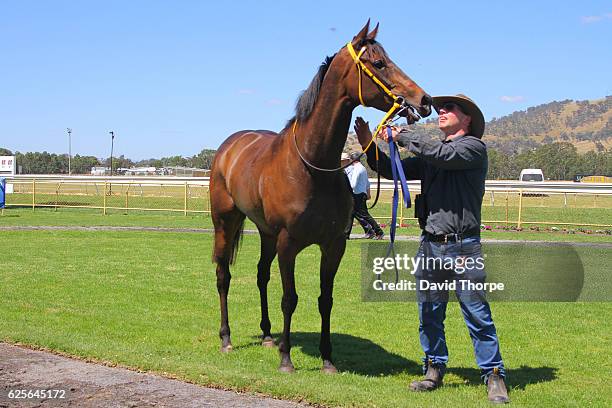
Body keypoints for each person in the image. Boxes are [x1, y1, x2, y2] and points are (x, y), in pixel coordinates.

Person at [354, 94, 509, 404]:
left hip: (464, 246)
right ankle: (434, 368)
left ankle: (494, 375)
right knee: (429, 313)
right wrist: (370, 145)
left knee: (477, 314)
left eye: (450, 108)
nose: (442, 111)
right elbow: (389, 167)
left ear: (467, 120)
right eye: (442, 108)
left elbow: (441, 154)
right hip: (430, 246)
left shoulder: (473, 149)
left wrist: (403, 135)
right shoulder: (432, 155)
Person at [343, 152, 384, 239]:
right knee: (351, 214)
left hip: (357, 195)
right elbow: (367, 183)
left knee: (364, 215)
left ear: (353, 160)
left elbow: (353, 184)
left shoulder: (357, 169)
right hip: (361, 194)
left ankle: (379, 232)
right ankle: (346, 235)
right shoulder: (362, 168)